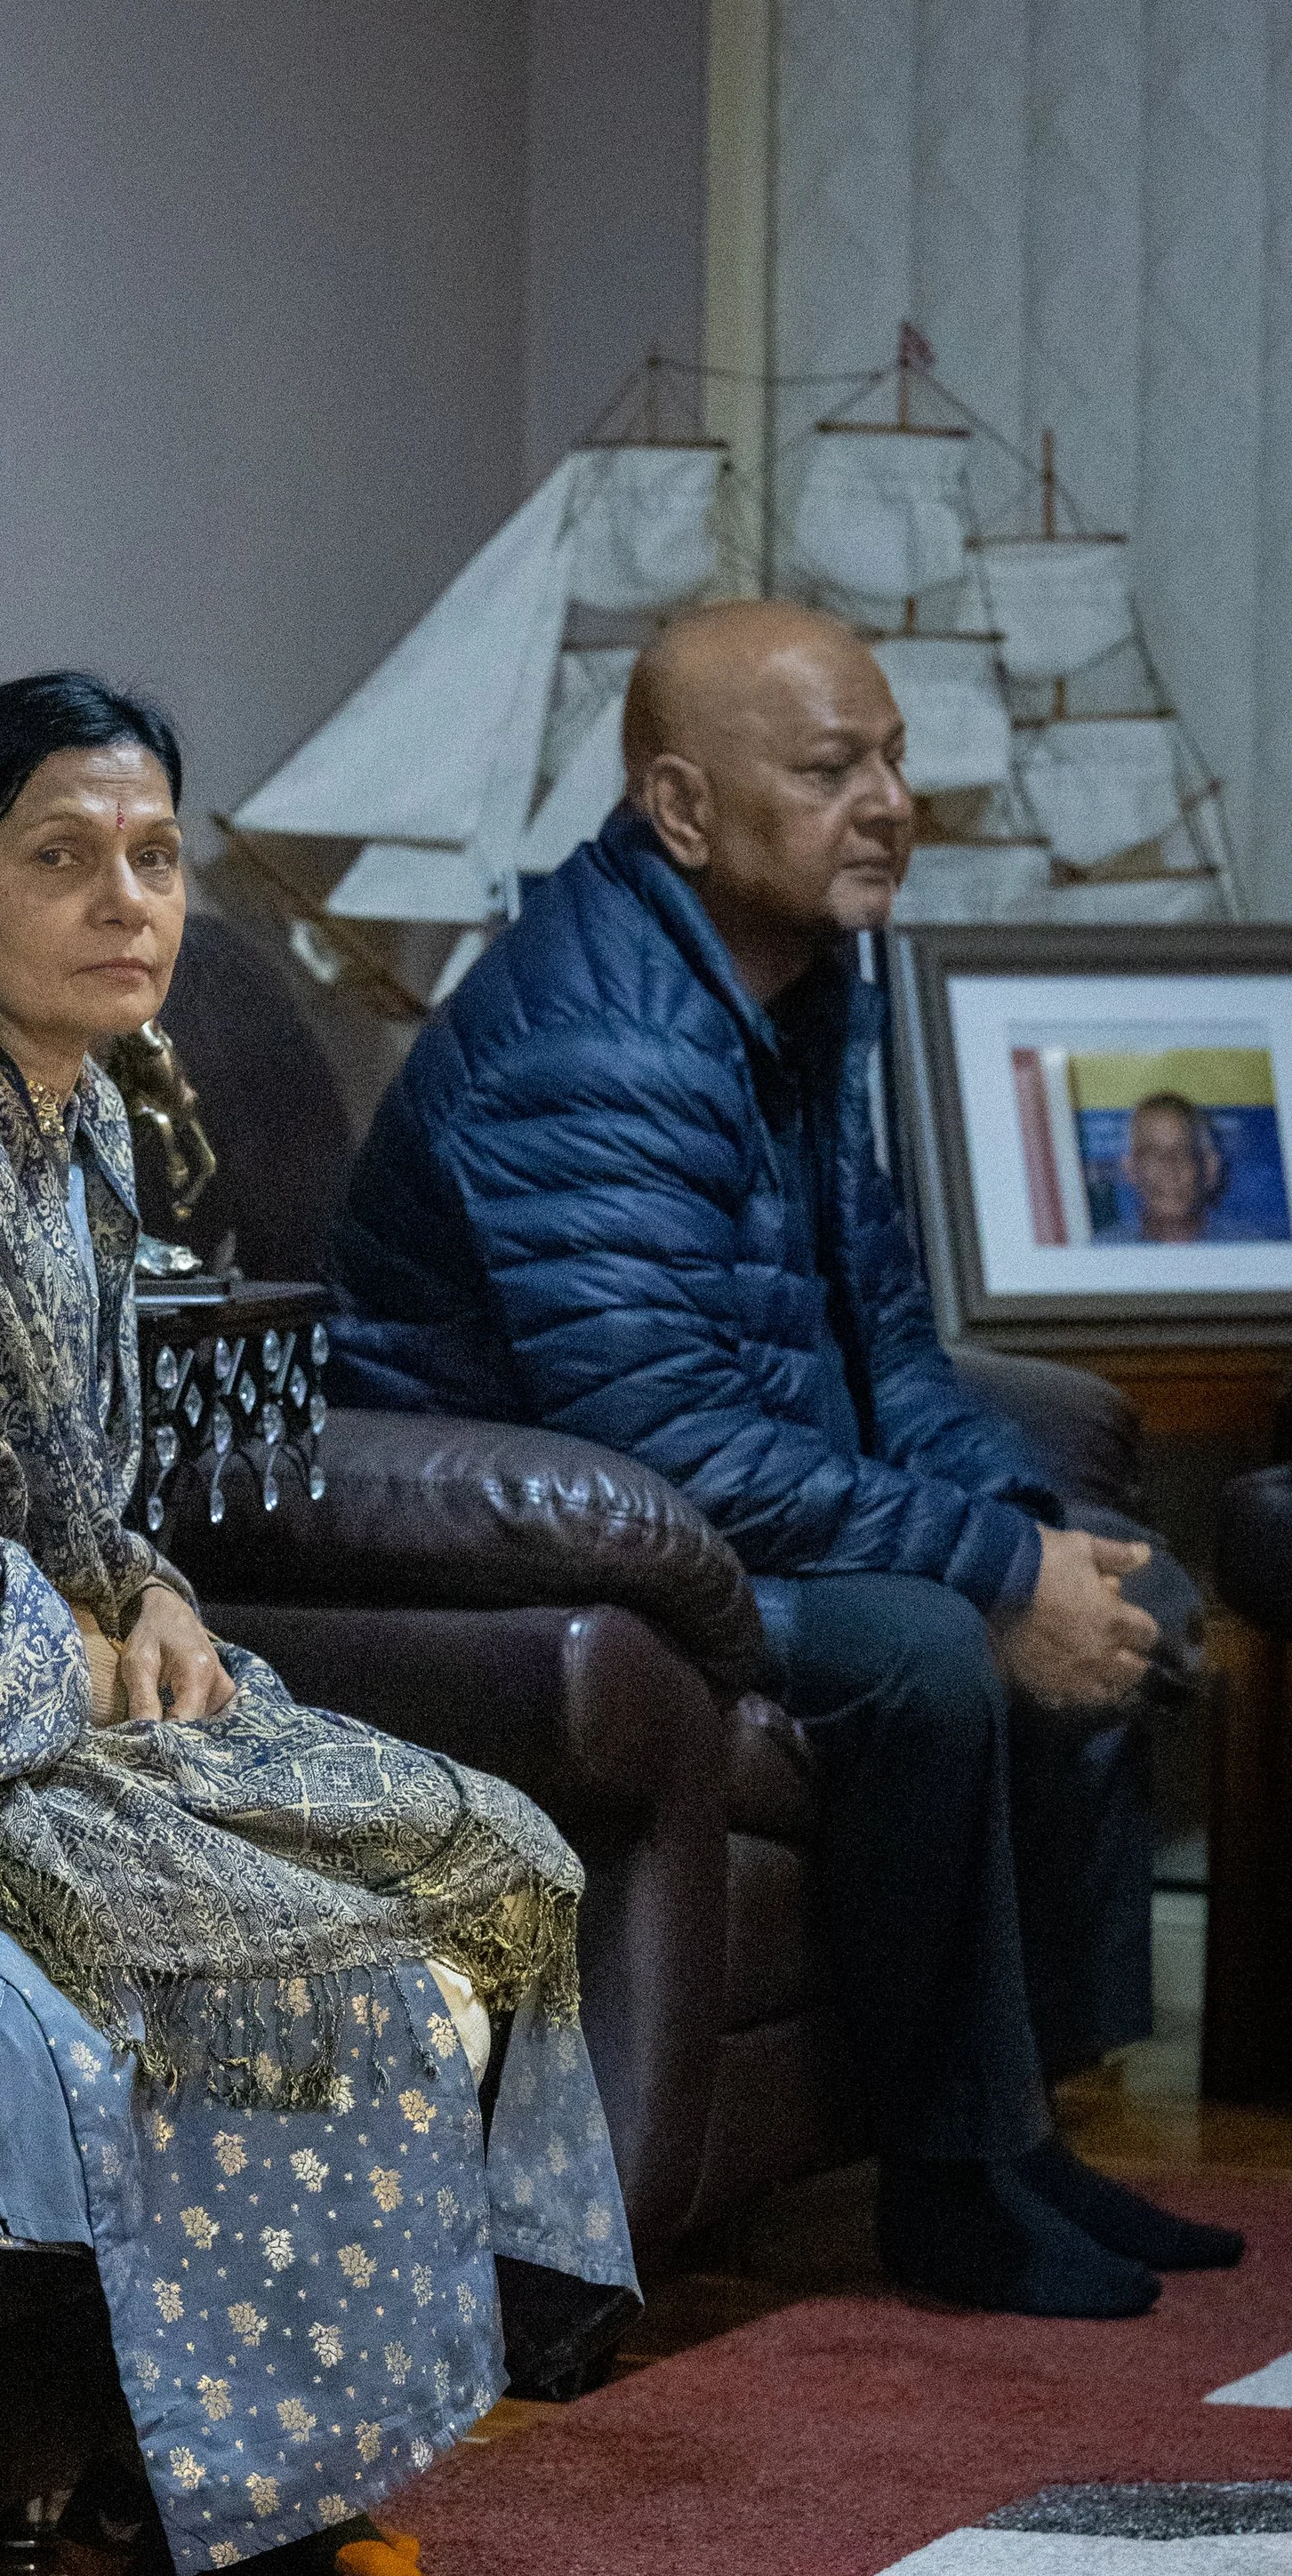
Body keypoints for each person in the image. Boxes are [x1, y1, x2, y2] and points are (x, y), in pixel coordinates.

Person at [0, 670, 638, 2576]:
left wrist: (150, 1598)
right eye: (59, 859)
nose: (124, 902)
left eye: (153, 858)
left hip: (25, 1698)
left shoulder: (75, 1119)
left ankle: (274, 2458)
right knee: (306, 1960)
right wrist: (92, 1665)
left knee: (494, 1859)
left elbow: (74, 1487)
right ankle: (234, 2500)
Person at [328, 601, 1240, 2318]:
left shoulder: (805, 984)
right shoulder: (598, 1042)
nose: (890, 800)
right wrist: (982, 1577)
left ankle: (1019, 2135)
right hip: (573, 1540)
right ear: (681, 808)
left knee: (1123, 1585)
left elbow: (883, 1331)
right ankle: (947, 2180)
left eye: (893, 759)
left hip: (719, 1499)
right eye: (834, 770)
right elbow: (654, 1431)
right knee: (924, 1656)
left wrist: (1030, 1532)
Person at [1116, 1089, 1226, 1244]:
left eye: (1182, 1152)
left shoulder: (1252, 1251)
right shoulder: (1099, 1256)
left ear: (1209, 1168)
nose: (1168, 1169)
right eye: (1153, 1153)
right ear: (1130, 1169)